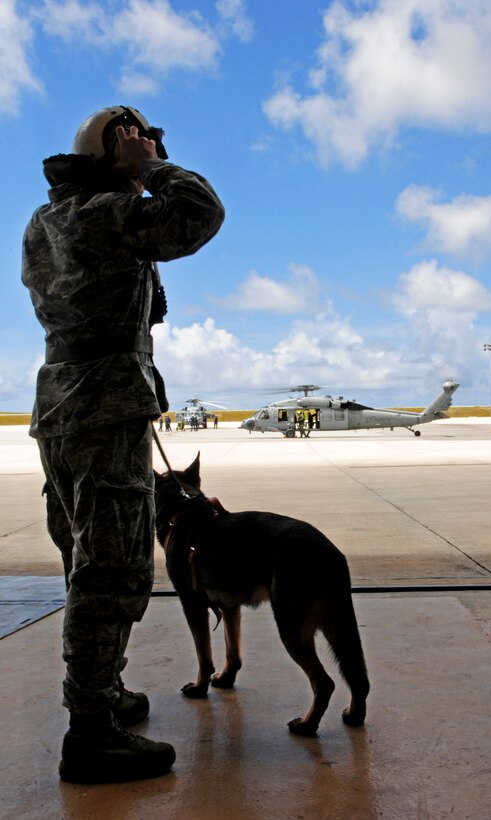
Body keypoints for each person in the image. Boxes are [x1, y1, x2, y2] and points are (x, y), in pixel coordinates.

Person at [22, 105, 224, 783]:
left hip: (63, 404)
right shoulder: (103, 213)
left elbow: (139, 297)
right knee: (111, 569)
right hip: (105, 403)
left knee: (86, 557)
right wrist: (153, 170)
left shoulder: (48, 219)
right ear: (113, 153)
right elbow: (199, 213)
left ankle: (102, 693)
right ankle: (90, 734)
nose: (147, 149)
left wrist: (130, 177)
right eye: (135, 140)